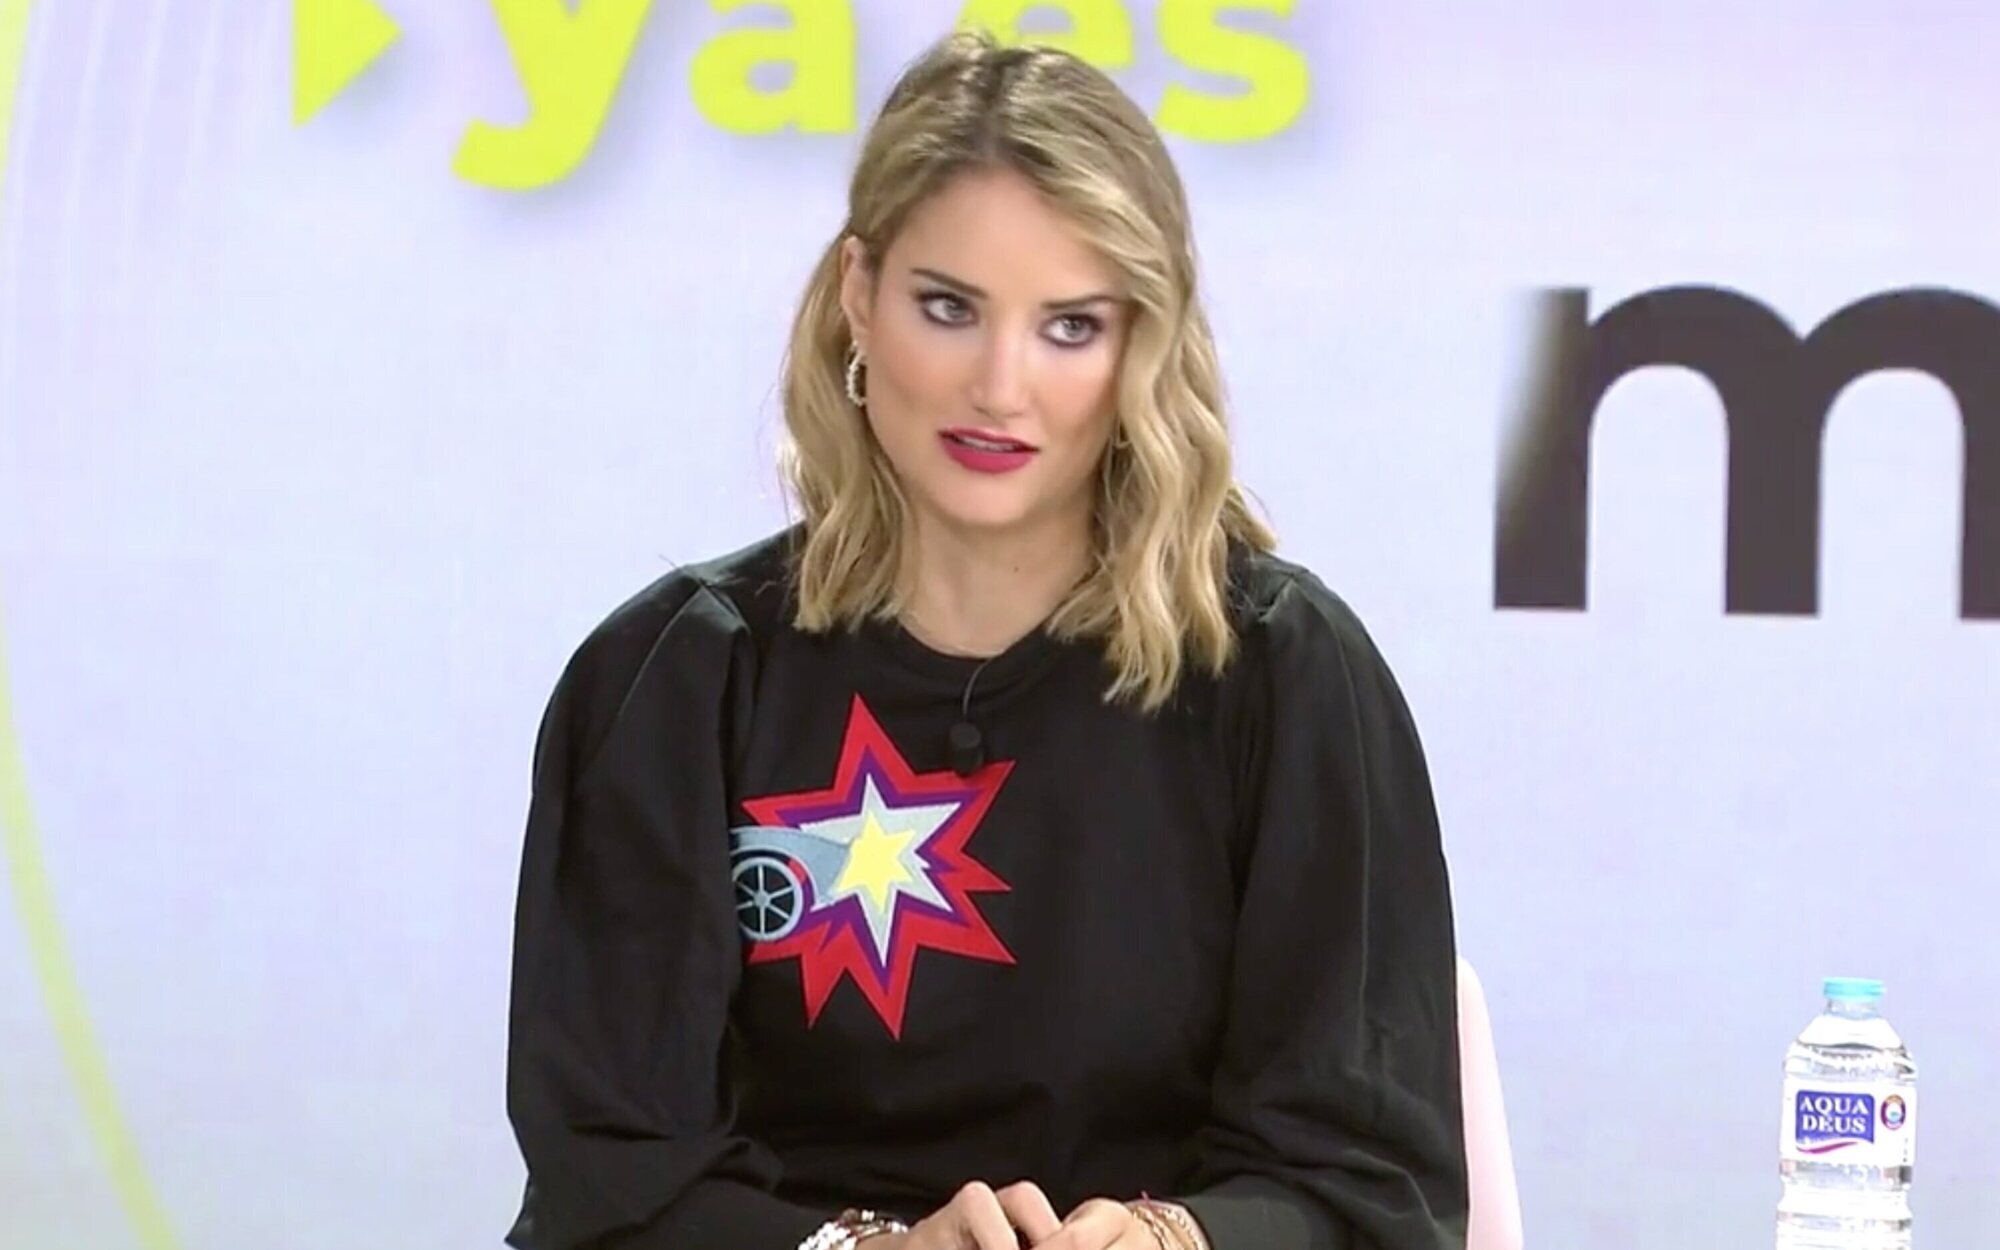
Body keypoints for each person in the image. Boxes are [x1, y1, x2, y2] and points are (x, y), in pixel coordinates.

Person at [503, 28, 1466, 1250]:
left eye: (1069, 326)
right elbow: (609, 1184)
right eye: (948, 308)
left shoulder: (1283, 675)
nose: (1000, 386)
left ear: (1142, 342)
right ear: (857, 293)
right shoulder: (679, 678)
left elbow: (1366, 1184)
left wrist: (1173, 1239)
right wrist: (866, 1249)